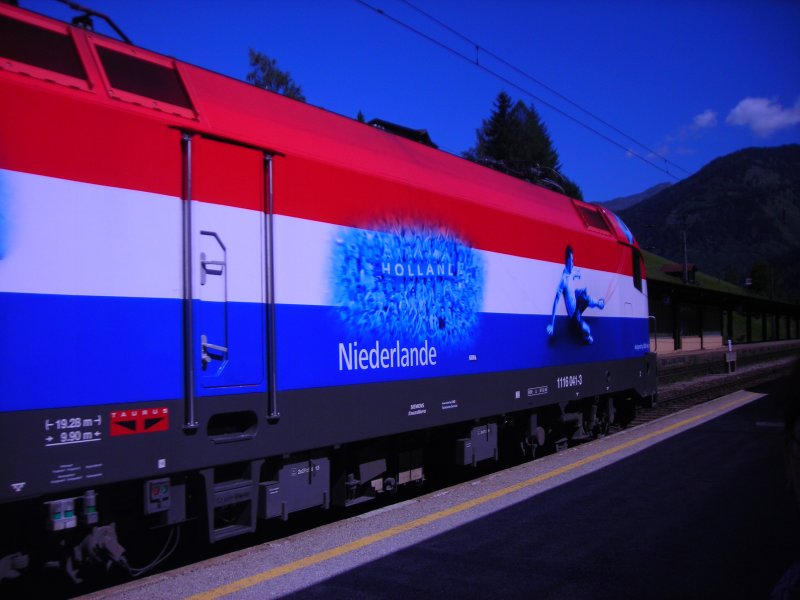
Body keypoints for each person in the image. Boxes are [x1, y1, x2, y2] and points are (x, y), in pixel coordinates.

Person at [546, 245, 604, 344]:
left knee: (584, 296)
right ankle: (586, 336)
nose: (573, 263)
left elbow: (576, 275)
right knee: (587, 330)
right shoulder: (563, 280)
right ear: (568, 260)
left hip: (577, 299)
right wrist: (551, 324)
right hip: (573, 313)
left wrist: (578, 274)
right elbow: (555, 302)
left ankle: (598, 303)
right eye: (572, 260)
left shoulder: (571, 271)